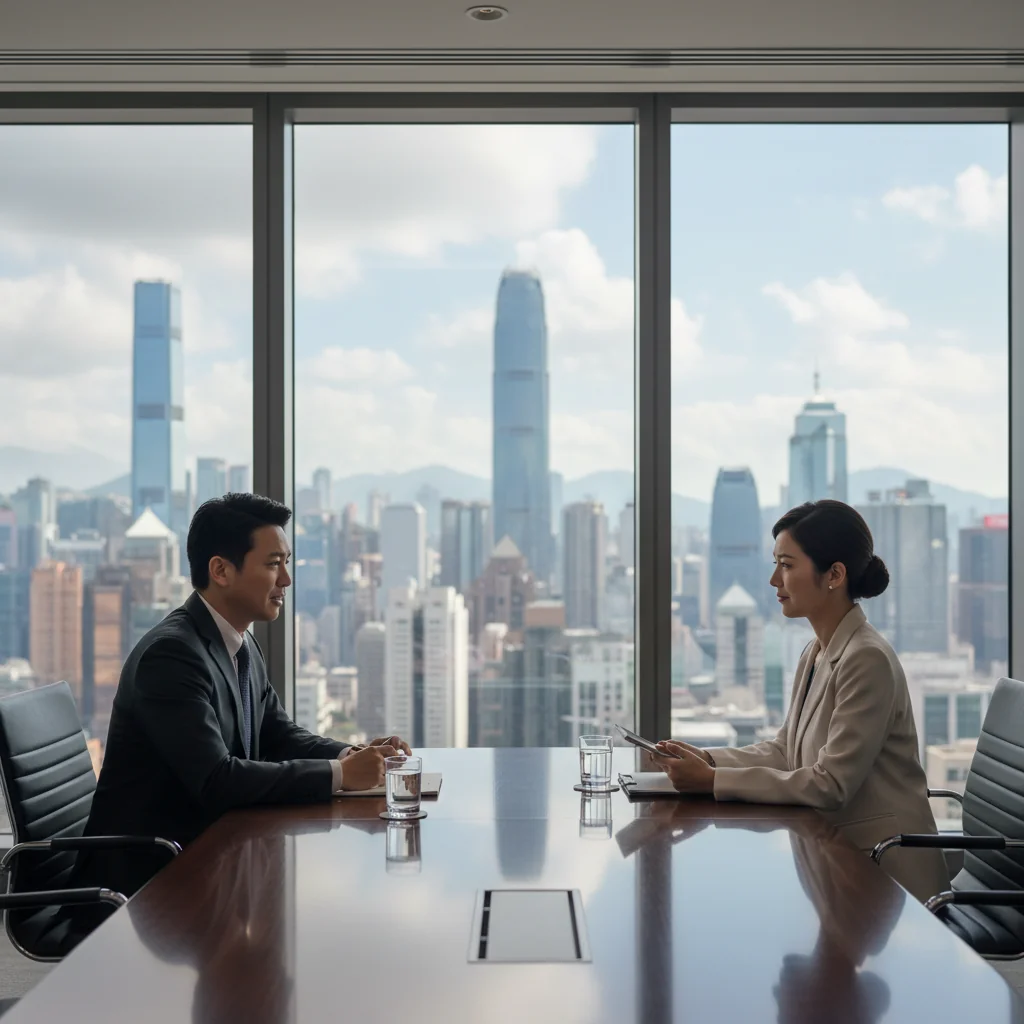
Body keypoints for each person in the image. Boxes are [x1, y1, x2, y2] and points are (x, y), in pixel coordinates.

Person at [78, 492, 410, 900]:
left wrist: (351, 756)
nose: (286, 580)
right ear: (220, 570)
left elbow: (277, 735)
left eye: (286, 563)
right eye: (273, 564)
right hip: (151, 879)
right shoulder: (171, 656)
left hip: (211, 856)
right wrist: (341, 777)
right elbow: (217, 781)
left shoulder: (239, 641)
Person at [653, 500, 949, 903]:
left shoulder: (867, 659)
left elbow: (830, 785)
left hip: (886, 875)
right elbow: (785, 750)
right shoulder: (816, 651)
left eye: (787, 565)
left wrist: (712, 782)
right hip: (837, 858)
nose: (774, 580)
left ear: (834, 575)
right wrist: (708, 760)